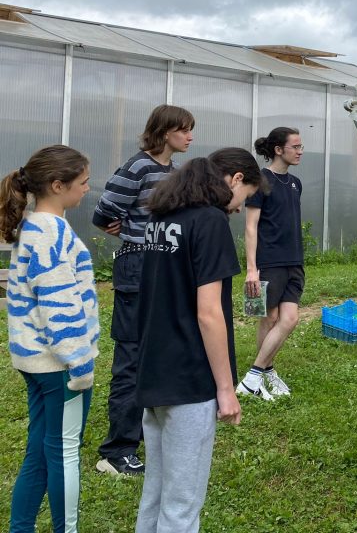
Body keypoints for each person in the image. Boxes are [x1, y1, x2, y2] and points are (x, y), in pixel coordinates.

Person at [134, 148, 262, 533]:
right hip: (190, 379)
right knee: (182, 503)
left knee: (156, 492)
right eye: (245, 197)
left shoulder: (161, 216)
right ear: (234, 181)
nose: (239, 209)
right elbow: (209, 312)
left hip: (154, 372)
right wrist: (226, 388)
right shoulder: (209, 221)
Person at [92, 104, 195, 475]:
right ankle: (116, 451)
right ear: (165, 131)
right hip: (137, 268)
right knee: (132, 360)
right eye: (184, 130)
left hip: (162, 269)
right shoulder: (138, 166)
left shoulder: (175, 171)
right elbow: (103, 212)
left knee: (156, 354)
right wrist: (133, 237)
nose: (190, 136)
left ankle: (143, 435)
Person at [3, 145, 99, 533]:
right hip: (61, 366)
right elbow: (58, 305)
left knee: (39, 454)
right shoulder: (52, 232)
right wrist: (80, 364)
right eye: (83, 183)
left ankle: (21, 527)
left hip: (35, 362)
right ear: (57, 185)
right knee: (65, 455)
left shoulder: (31, 226)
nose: (87, 190)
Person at [237, 127, 304, 400]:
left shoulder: (296, 183)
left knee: (290, 319)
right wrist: (252, 270)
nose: (300, 152)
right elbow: (250, 228)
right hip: (269, 262)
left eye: (301, 147)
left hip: (295, 261)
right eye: (295, 147)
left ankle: (257, 374)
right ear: (278, 149)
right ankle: (261, 374)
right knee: (270, 317)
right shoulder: (260, 181)